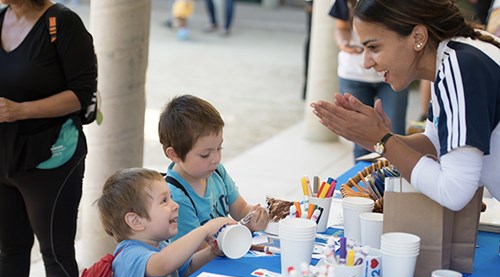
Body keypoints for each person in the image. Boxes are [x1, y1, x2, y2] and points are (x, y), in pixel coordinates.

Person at [312, 0, 500, 211]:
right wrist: (375, 136)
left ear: (418, 38)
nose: (366, 62)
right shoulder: (455, 57)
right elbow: (436, 142)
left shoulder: (459, 68)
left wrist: (382, 141)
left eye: (374, 47)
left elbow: (454, 192)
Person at [0, 1, 97, 277]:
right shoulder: (1, 18)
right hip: (5, 158)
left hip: (52, 158)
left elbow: (82, 95)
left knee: (55, 250)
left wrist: (19, 111)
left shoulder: (62, 24)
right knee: (9, 246)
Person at [97, 168, 232, 277]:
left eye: (171, 197)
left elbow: (186, 268)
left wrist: (212, 252)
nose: (175, 205)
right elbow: (164, 264)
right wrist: (204, 230)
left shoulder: (159, 245)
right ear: (136, 221)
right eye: (164, 201)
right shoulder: (128, 256)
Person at [158, 94, 269, 242]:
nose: (216, 159)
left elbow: (240, 209)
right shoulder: (175, 198)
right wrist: (243, 230)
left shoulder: (217, 172)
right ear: (175, 154)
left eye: (219, 148)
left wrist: (254, 216)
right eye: (205, 154)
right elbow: (195, 251)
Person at [329, 0, 410, 161]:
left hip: (392, 72)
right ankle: (362, 182)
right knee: (361, 138)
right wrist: (345, 44)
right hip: (353, 73)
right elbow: (341, 28)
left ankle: (394, 177)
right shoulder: (345, 2)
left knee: (395, 132)